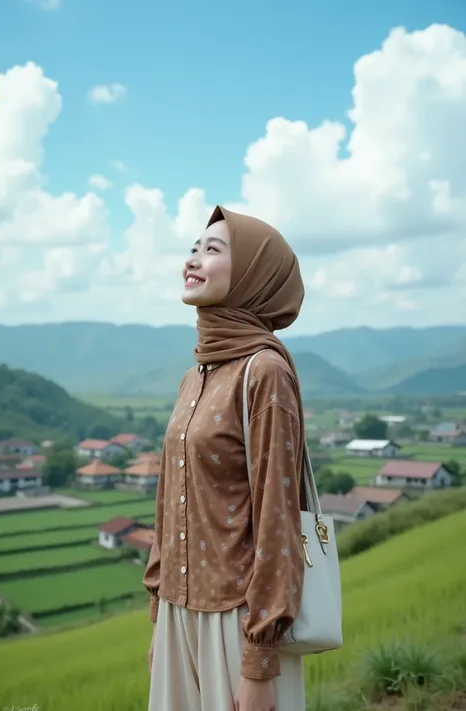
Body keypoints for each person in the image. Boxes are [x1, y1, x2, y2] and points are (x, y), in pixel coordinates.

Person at [143, 205, 307, 711]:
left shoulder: (264, 372)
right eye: (194, 246)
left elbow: (278, 522)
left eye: (212, 249)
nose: (193, 258)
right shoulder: (196, 374)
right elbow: (168, 504)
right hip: (178, 612)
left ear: (254, 277)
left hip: (236, 621)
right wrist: (160, 618)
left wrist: (258, 661)